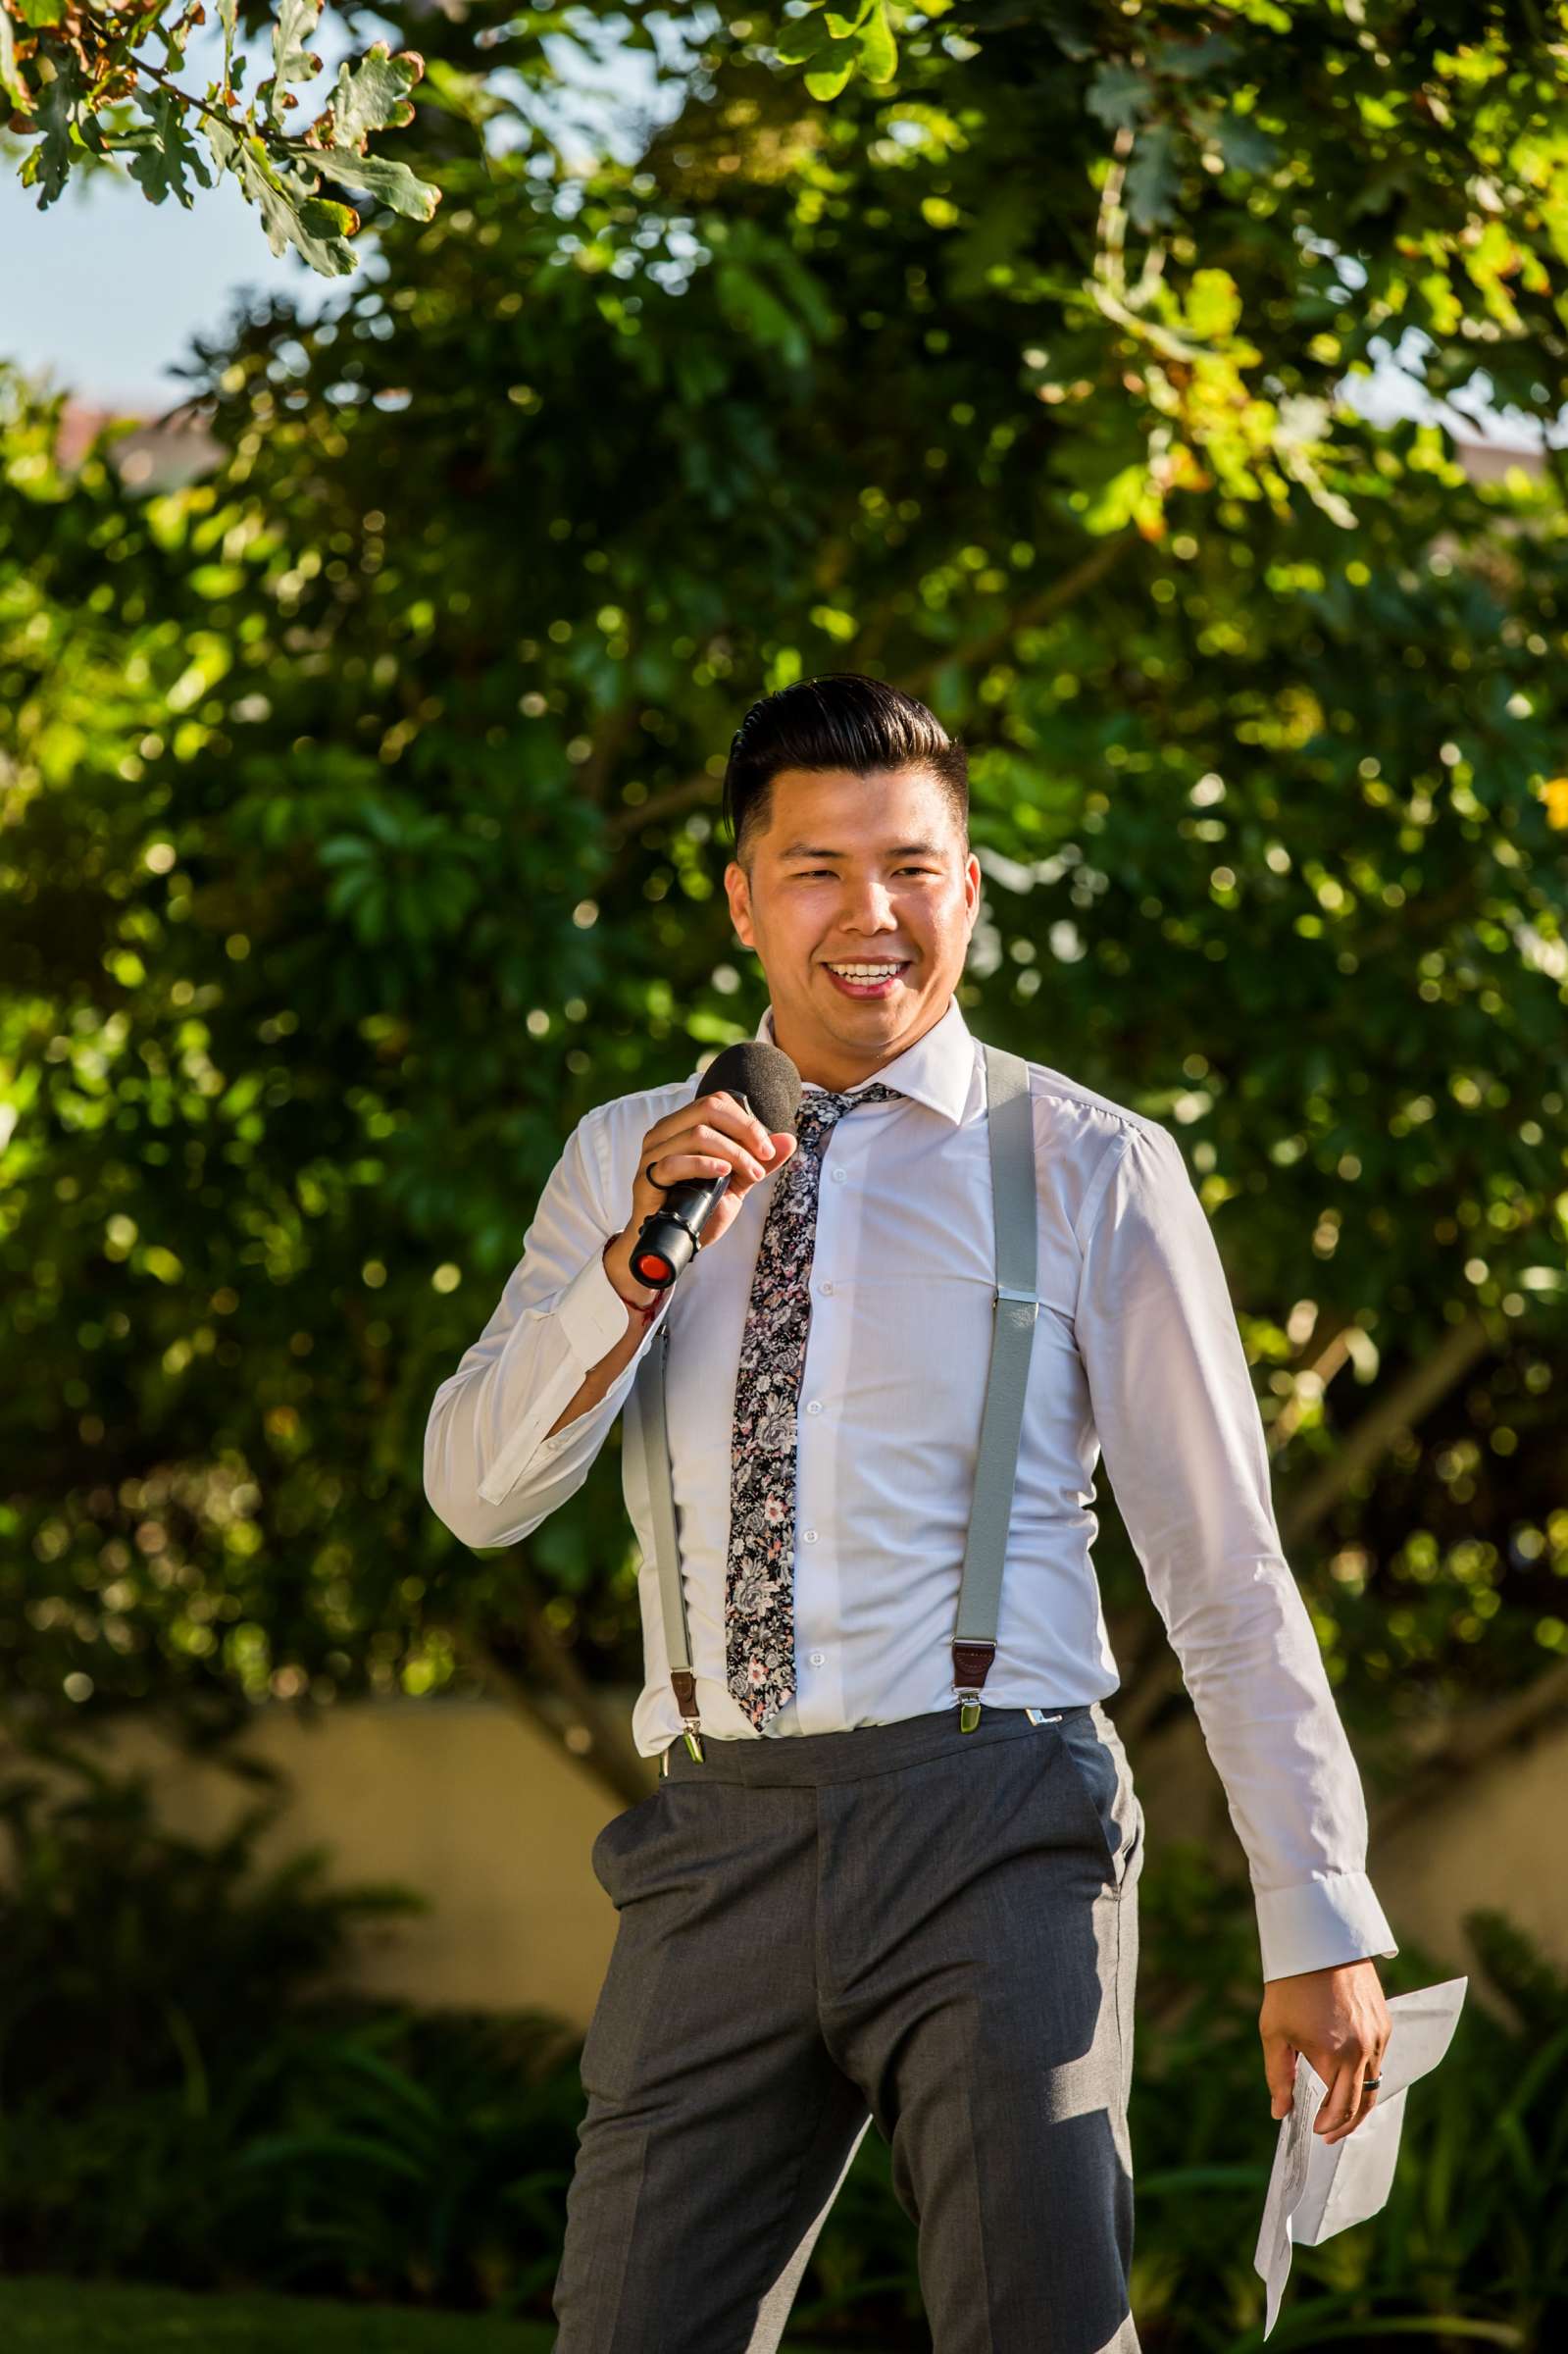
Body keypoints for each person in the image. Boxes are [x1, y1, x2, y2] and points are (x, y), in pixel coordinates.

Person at [423, 671, 1396, 2353]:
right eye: (816, 869)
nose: (870, 915)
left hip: (998, 1817)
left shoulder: (1090, 1165)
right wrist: (629, 1278)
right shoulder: (622, 1158)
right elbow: (476, 1495)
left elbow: (1223, 1564)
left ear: (968, 886)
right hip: (713, 1838)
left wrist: (1318, 1911)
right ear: (743, 898)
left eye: (914, 867)